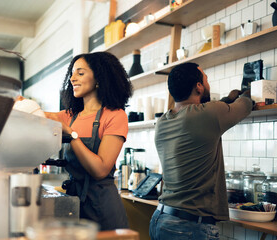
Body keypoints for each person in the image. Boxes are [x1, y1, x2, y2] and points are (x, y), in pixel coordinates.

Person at [149, 62, 253, 240]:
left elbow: (202, 113)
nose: (207, 83)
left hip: (161, 219)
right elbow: (245, 105)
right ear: (198, 87)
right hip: (189, 227)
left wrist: (226, 100)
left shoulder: (163, 121)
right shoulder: (209, 114)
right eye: (206, 79)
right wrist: (246, 92)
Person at [45, 51, 133, 231]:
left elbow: (100, 170)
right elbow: (39, 115)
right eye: (71, 74)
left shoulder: (115, 116)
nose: (72, 79)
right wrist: (20, 103)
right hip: (73, 204)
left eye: (80, 73)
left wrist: (71, 135)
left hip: (102, 207)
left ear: (99, 77)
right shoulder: (70, 116)